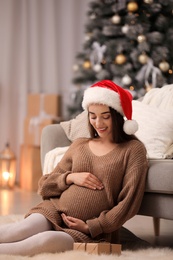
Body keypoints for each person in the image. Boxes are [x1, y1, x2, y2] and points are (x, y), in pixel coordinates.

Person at [0, 80, 148, 256]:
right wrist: (70, 178)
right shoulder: (80, 145)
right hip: (54, 210)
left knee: (43, 242)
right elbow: (44, 185)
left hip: (87, 232)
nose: (98, 122)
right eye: (93, 116)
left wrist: (91, 226)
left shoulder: (133, 150)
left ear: (117, 115)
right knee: (18, 231)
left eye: (105, 116)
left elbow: (128, 203)